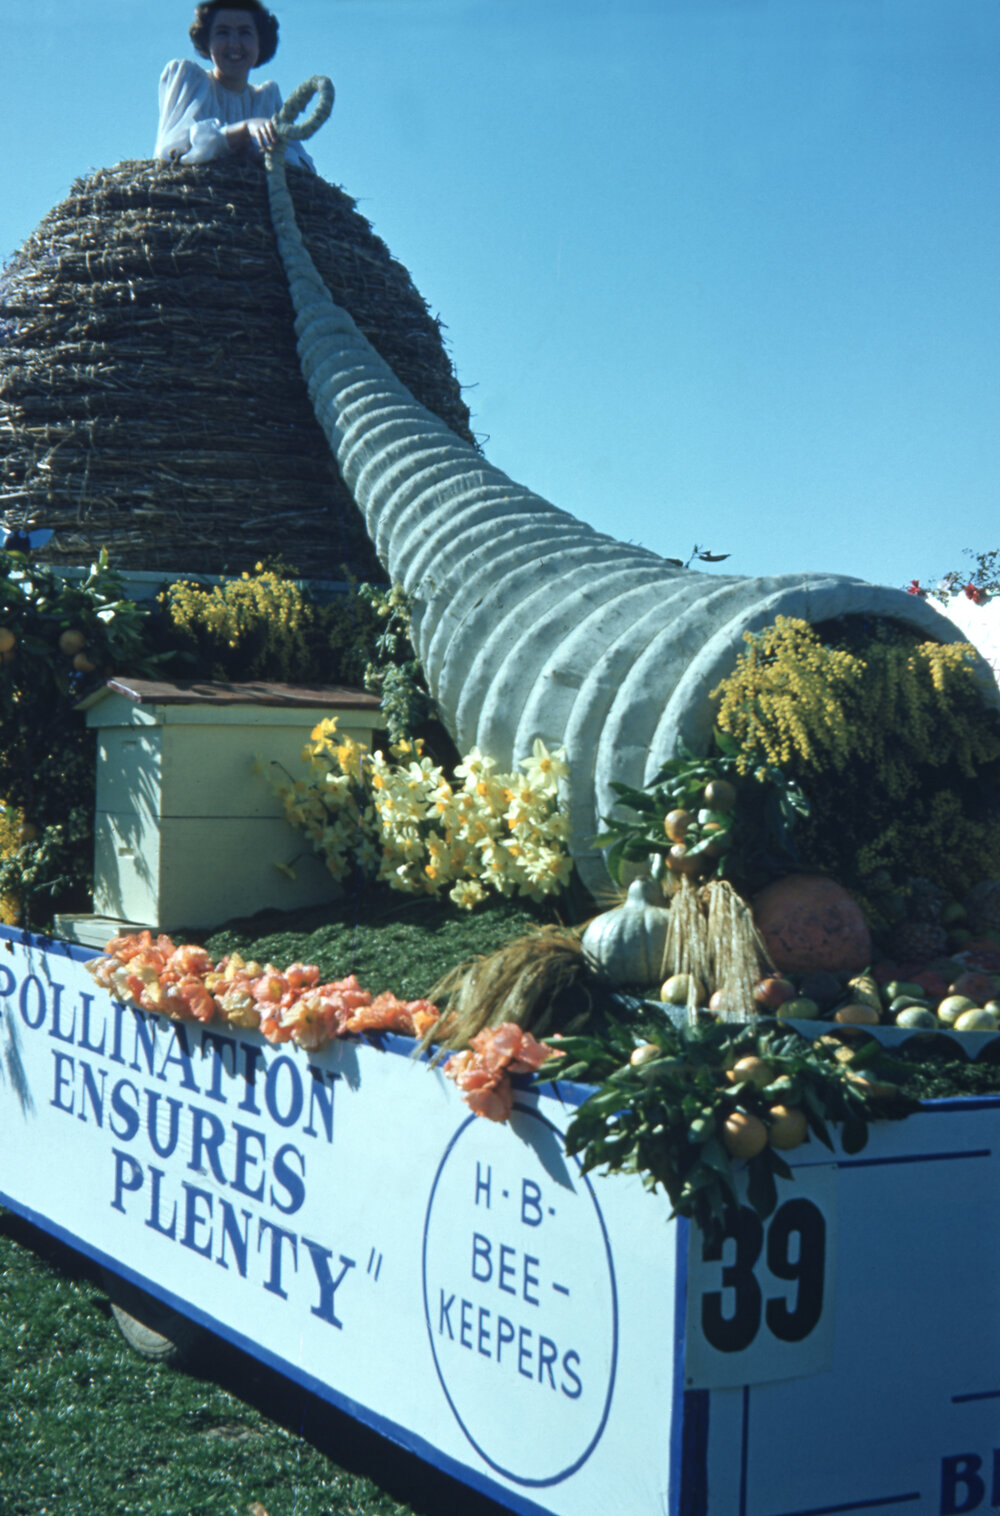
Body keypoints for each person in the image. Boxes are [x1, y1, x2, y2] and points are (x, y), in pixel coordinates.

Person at [156, 2, 316, 172]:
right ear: (207, 39)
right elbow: (172, 152)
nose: (233, 43)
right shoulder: (191, 82)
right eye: (222, 32)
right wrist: (244, 130)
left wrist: (264, 149)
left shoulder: (267, 101)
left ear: (259, 41)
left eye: (244, 32)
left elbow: (304, 168)